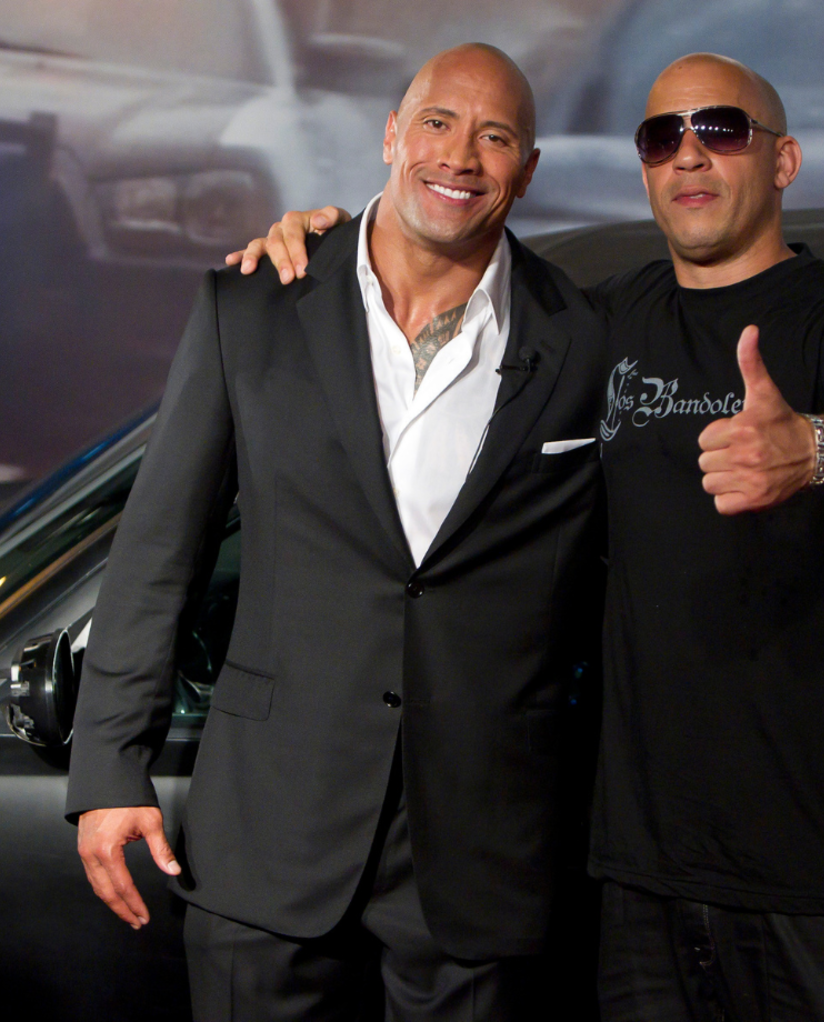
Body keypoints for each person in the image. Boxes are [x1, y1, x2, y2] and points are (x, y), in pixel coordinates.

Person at [240, 52, 824, 1021]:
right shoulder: (598, 320)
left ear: (783, 162)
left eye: (722, 130)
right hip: (633, 870)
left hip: (819, 872)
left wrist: (812, 446)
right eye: (662, 137)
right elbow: (430, 310)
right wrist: (323, 244)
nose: (689, 155)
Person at [67, 43, 612, 1022]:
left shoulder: (587, 340)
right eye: (438, 123)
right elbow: (159, 554)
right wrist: (111, 764)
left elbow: (647, 541)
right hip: (269, 836)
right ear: (392, 135)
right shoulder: (253, 303)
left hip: (482, 854)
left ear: (526, 172)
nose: (461, 155)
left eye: (496, 136)